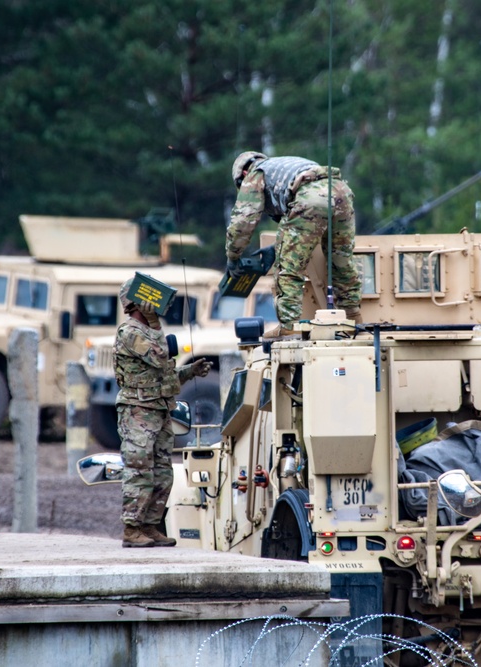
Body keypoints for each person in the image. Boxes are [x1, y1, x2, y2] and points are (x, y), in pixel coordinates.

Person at [114, 278, 211, 548]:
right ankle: (132, 529)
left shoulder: (148, 332)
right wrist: (155, 324)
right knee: (140, 471)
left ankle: (150, 525)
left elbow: (163, 377)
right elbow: (159, 356)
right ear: (135, 304)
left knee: (162, 472)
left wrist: (190, 371)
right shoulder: (130, 332)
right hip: (138, 411)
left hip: (158, 410)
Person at [225, 151, 362, 338]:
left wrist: (233, 257)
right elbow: (300, 229)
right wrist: (275, 247)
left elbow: (243, 222)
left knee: (288, 266)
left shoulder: (255, 174)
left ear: (242, 174)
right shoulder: (283, 166)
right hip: (341, 191)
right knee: (341, 260)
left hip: (311, 197)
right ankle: (353, 318)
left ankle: (288, 325)